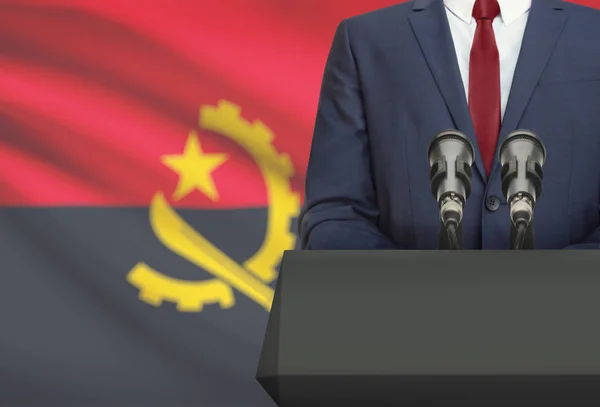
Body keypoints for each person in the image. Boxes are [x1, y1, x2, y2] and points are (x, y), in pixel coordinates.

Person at [299, 0, 600, 250]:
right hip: (404, 314)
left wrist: (561, 284)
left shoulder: (592, 35)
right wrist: (414, 290)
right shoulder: (366, 41)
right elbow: (335, 213)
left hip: (571, 313)